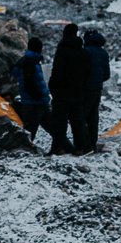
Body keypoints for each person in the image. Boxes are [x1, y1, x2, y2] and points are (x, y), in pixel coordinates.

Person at [69, 28, 111, 155]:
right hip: (97, 89)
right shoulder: (103, 53)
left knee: (79, 117)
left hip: (84, 89)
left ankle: (83, 145)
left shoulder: (84, 52)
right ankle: (92, 144)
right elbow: (107, 75)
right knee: (93, 117)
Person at [46, 23, 82, 155]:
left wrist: (52, 87)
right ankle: (79, 148)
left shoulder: (62, 49)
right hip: (77, 91)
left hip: (62, 92)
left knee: (59, 123)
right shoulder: (80, 49)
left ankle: (58, 147)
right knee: (77, 122)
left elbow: (57, 71)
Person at [11, 39, 50, 142]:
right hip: (35, 102)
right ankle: (63, 147)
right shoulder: (30, 62)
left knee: (30, 131)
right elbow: (29, 83)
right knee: (32, 131)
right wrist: (40, 95)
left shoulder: (28, 60)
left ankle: (62, 147)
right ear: (39, 49)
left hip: (33, 102)